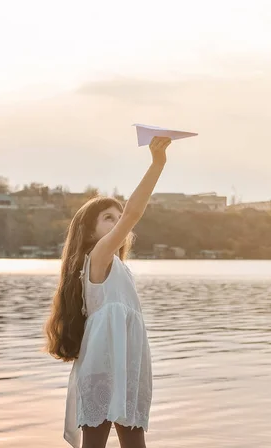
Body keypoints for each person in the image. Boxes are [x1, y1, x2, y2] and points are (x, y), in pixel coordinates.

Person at [44, 136, 172, 448]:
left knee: (133, 441)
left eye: (117, 217)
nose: (118, 224)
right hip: (103, 363)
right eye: (108, 219)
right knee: (96, 442)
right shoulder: (97, 258)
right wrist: (158, 164)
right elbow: (133, 214)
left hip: (127, 362)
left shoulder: (117, 267)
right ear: (90, 231)